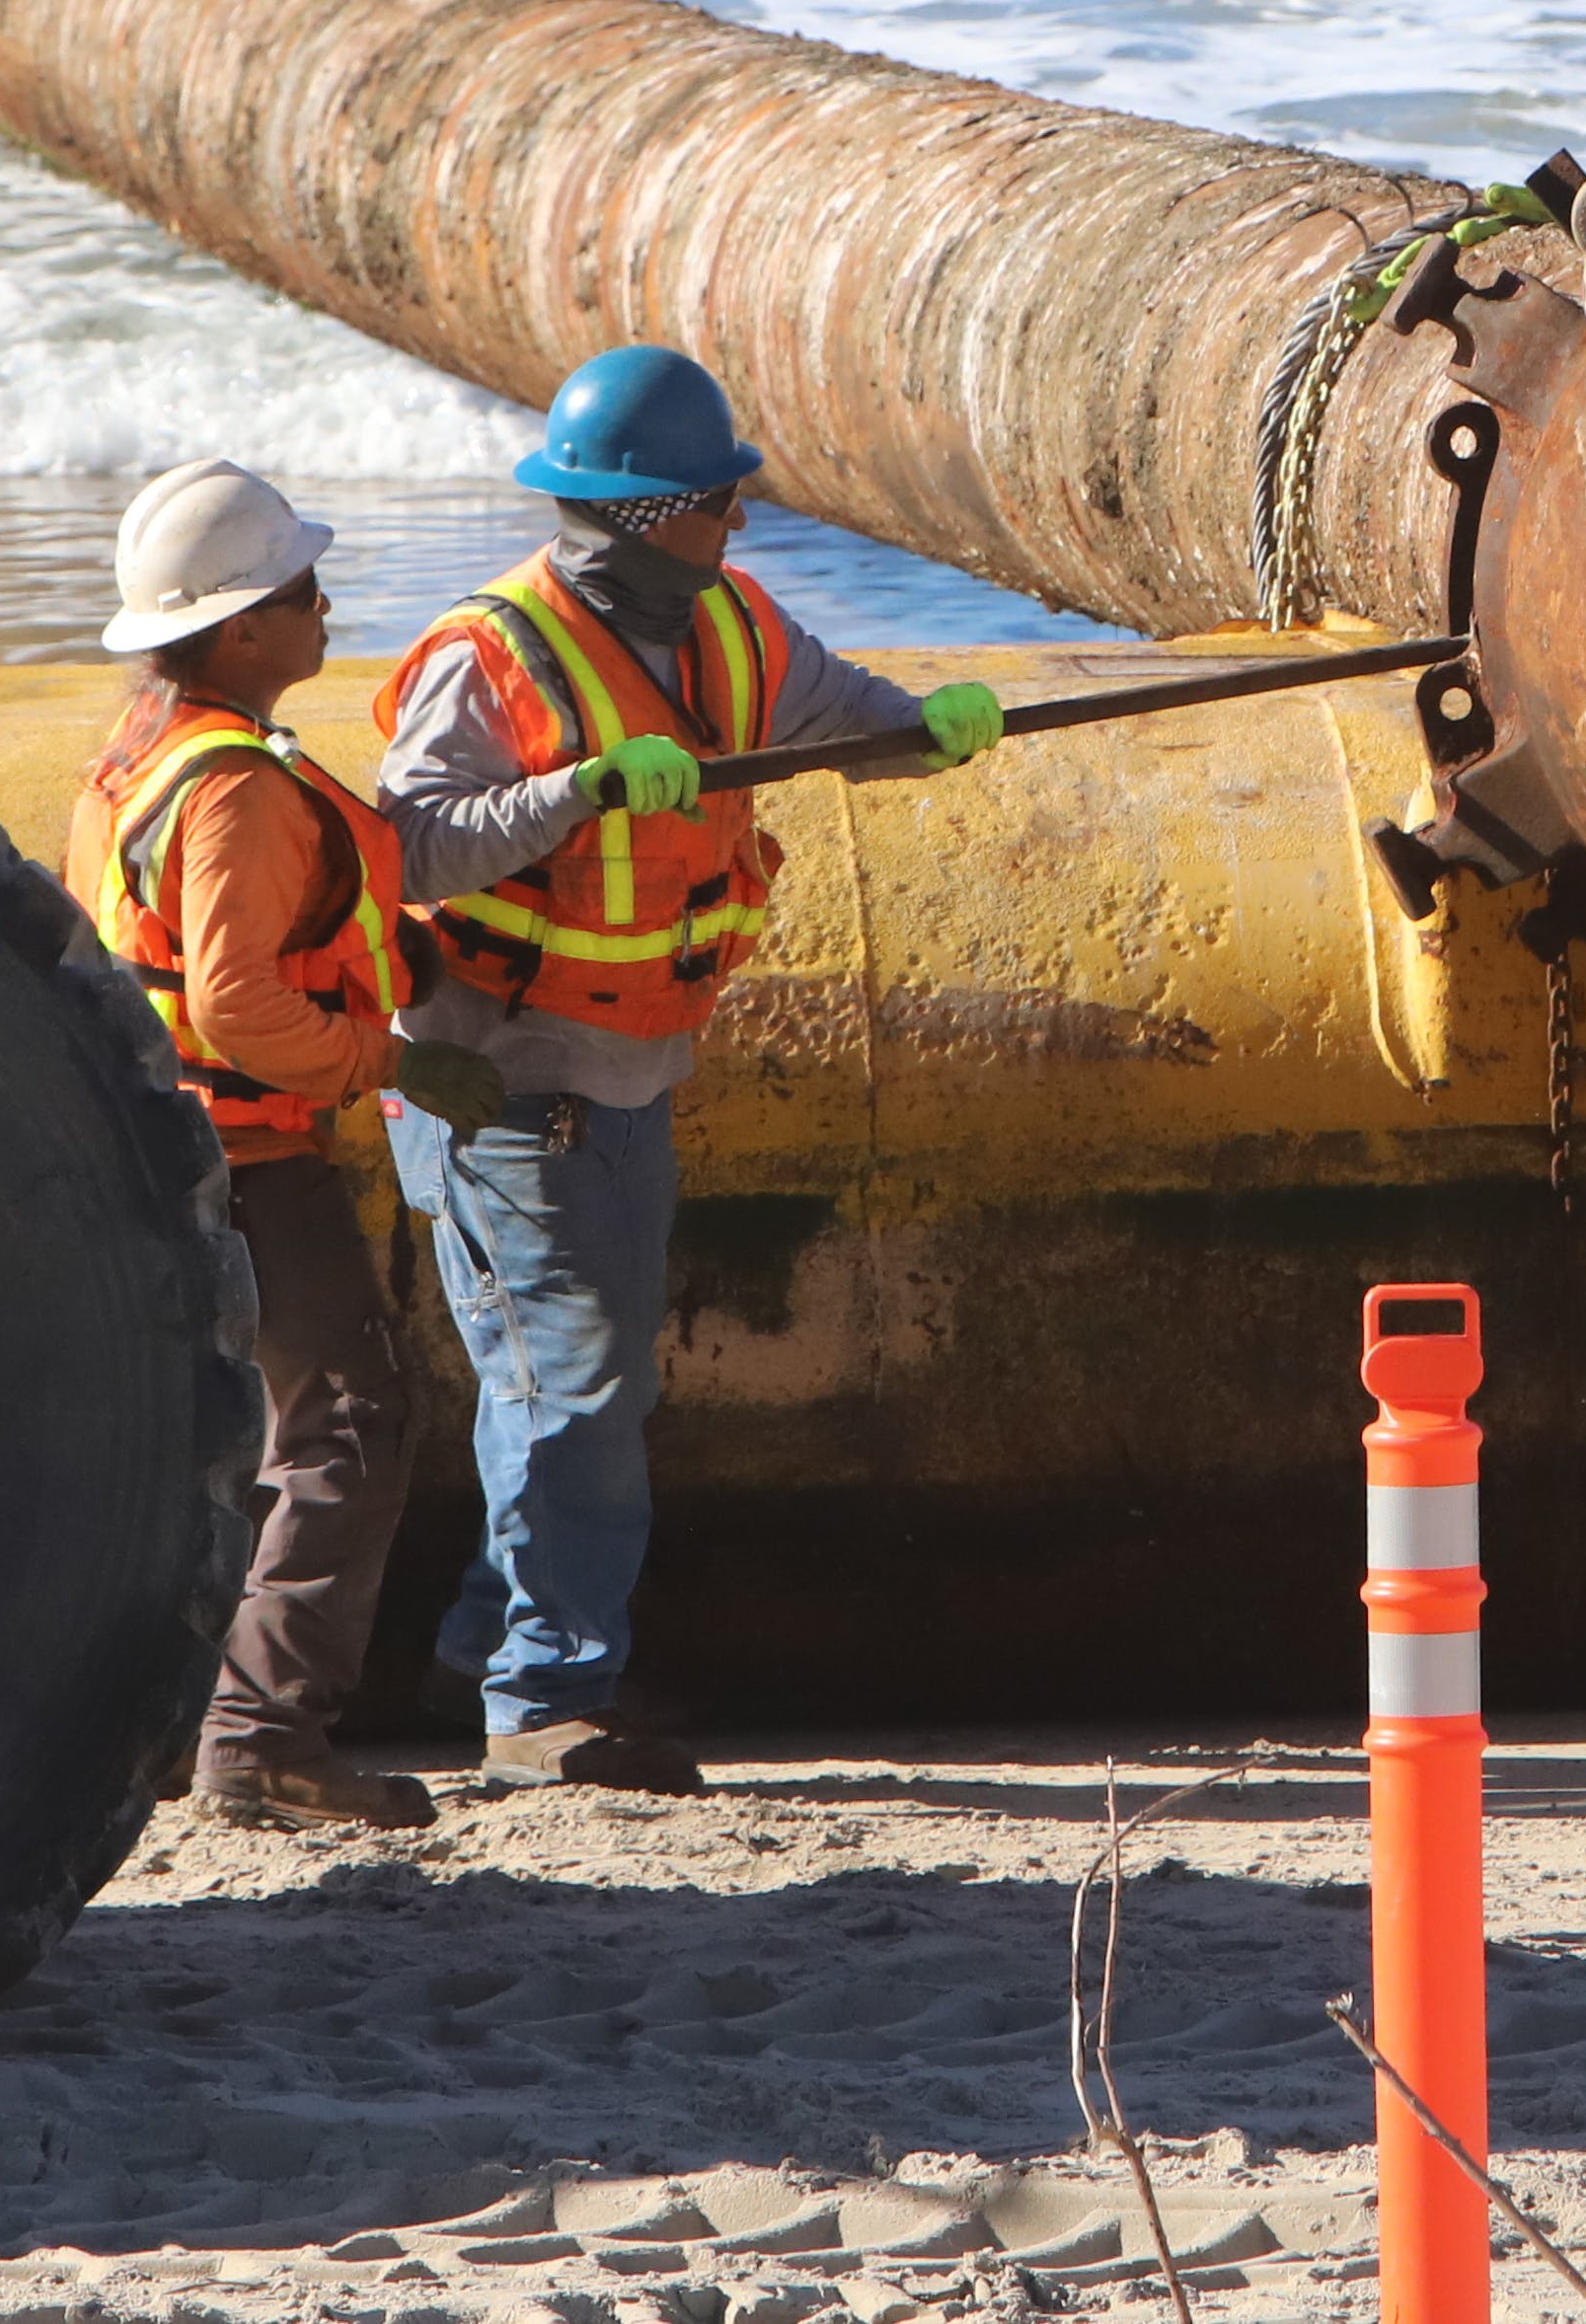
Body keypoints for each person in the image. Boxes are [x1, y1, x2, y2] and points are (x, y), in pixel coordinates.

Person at [369, 348, 1006, 1794]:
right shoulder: (493, 657)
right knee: (570, 1390)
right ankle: (541, 1699)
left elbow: (850, 720)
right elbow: (404, 844)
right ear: (650, 515)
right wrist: (573, 794)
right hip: (502, 1090)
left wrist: (930, 735)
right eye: (722, 502)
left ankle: (494, 1649)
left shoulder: (735, 630)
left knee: (572, 1390)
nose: (741, 524)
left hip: (628, 1086)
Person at [67, 459, 510, 1835]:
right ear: (242, 627)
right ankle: (264, 1738)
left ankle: (178, 1725)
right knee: (345, 1427)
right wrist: (401, 1058)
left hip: (152, 1147)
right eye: (306, 591)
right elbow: (238, 1001)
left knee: (214, 1446)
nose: (329, 608)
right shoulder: (238, 786)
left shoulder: (142, 751)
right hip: (246, 1155)